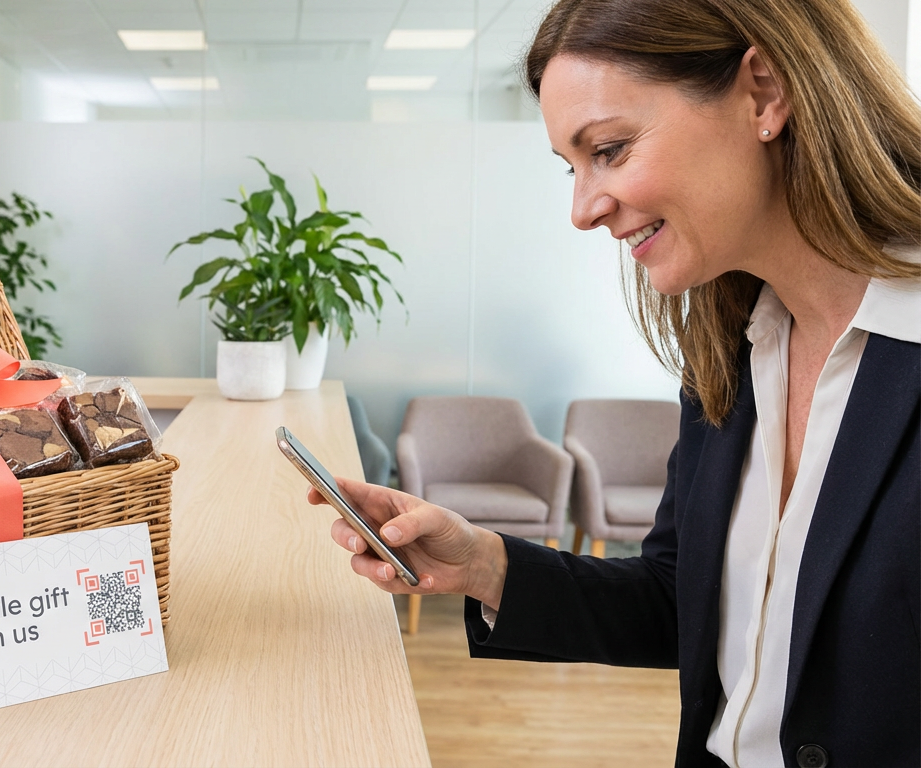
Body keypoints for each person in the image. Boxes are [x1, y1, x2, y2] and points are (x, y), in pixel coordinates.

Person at [311, 1, 921, 766]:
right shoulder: (730, 355)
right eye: (574, 166)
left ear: (763, 93)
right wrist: (481, 563)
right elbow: (681, 600)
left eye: (610, 148)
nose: (581, 208)